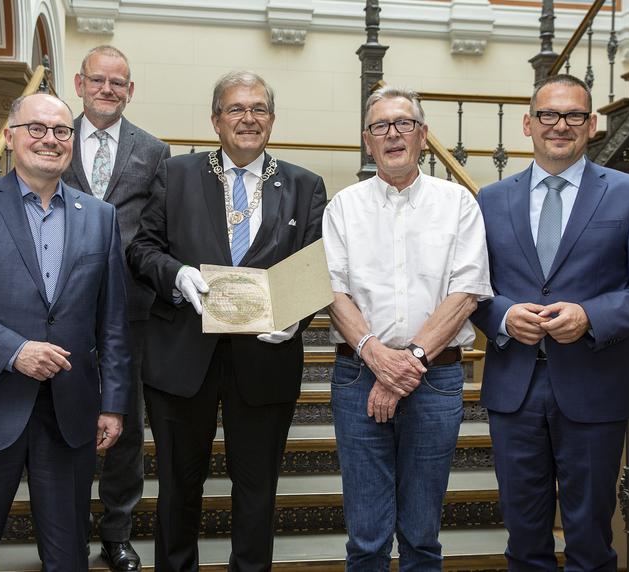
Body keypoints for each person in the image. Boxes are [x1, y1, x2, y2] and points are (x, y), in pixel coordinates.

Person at [470, 74, 629, 571]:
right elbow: (471, 289)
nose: (559, 125)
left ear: (589, 125)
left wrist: (592, 315)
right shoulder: (490, 200)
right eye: (548, 114)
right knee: (524, 540)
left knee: (590, 541)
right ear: (528, 123)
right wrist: (502, 315)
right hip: (514, 392)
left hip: (593, 390)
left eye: (573, 116)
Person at [0, 93, 131, 571]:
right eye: (36, 128)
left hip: (69, 415)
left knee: (68, 557)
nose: (49, 140)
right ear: (10, 138)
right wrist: (14, 350)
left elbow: (112, 322)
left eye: (61, 131)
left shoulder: (99, 217)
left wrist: (113, 404)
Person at [127, 70, 327, 571]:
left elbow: (318, 266)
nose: (248, 119)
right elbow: (141, 249)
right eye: (236, 109)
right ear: (215, 119)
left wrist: (296, 318)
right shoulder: (176, 174)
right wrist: (176, 276)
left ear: (273, 121)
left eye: (259, 109)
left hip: (266, 357)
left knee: (258, 488)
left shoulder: (305, 186)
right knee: (178, 485)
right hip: (181, 358)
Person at [322, 86, 493, 571]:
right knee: (366, 538)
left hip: (435, 379)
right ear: (367, 141)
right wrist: (379, 358)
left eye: (403, 124)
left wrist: (410, 363)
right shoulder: (343, 207)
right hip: (358, 379)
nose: (392, 134)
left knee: (421, 537)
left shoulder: (458, 203)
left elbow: (466, 293)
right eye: (380, 126)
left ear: (422, 135)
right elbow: (332, 293)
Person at [62, 44, 170, 572]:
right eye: (97, 80)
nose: (108, 89)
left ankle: (117, 533)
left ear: (130, 91)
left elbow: (155, 231)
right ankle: (66, 535)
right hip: (60, 308)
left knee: (123, 423)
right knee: (61, 421)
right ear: (79, 84)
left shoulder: (154, 151)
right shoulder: (53, 138)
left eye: (118, 83)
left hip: (131, 309)